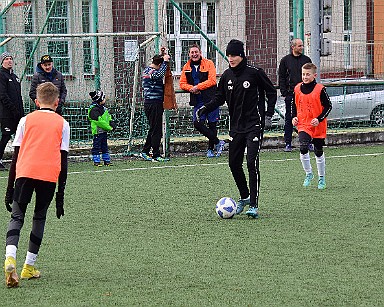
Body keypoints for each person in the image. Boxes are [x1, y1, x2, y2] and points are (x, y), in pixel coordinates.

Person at [197, 39, 277, 218]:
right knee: (233, 163)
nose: (230, 58)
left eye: (233, 55)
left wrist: (269, 114)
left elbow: (272, 92)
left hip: (254, 125)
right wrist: (205, 108)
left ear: (241, 55)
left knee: (251, 162)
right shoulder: (226, 76)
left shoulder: (255, 73)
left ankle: (254, 205)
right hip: (236, 127)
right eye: (228, 55)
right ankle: (245, 196)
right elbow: (219, 98)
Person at [4, 82, 70, 288]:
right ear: (57, 102)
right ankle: (28, 267)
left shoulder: (25, 120)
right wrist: (61, 195)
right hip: (48, 175)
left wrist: (9, 189)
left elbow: (15, 157)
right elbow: (64, 160)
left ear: (36, 101)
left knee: (17, 216)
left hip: (24, 172)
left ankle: (10, 258)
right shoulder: (63, 124)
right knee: (39, 217)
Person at [179, 43, 225, 158]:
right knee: (197, 122)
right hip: (197, 101)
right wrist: (191, 88)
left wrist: (198, 87)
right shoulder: (186, 67)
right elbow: (182, 83)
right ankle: (219, 142)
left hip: (211, 99)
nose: (194, 54)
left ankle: (210, 149)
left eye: (196, 52)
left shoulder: (209, 63)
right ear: (189, 54)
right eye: (192, 52)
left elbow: (212, 81)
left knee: (212, 124)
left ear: (200, 53)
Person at [292, 63, 332, 189]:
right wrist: (294, 116)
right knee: (303, 147)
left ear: (314, 75)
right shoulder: (297, 88)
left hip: (318, 125)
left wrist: (319, 119)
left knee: (318, 151)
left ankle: (321, 178)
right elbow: (294, 105)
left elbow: (328, 106)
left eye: (308, 74)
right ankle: (309, 174)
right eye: (303, 74)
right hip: (303, 124)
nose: (305, 76)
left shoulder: (320, 89)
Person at [278, 38, 312, 152]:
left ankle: (309, 142)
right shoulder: (285, 61)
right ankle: (288, 143)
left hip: (306, 95)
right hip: (291, 95)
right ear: (293, 47)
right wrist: (284, 93)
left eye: (302, 45)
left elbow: (310, 76)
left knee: (307, 118)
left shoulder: (307, 60)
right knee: (290, 118)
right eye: (299, 46)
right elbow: (281, 77)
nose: (302, 47)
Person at [140, 52, 170, 162]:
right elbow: (159, 74)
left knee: (154, 128)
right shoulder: (150, 71)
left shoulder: (152, 70)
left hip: (155, 103)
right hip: (152, 104)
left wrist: (163, 54)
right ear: (159, 65)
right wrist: (165, 62)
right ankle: (156, 154)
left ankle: (145, 151)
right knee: (156, 130)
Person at [0, 52, 24, 171]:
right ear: (2, 62)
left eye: (11, 59)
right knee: (5, 136)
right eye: (6, 59)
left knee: (21, 137)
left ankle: (21, 160)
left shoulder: (15, 77)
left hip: (18, 114)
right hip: (7, 114)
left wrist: (20, 111)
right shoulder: (1, 75)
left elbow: (18, 96)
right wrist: (12, 109)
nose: (9, 61)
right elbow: (3, 96)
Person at [88, 90, 116, 167]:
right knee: (96, 146)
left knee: (104, 146)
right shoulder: (93, 110)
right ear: (99, 100)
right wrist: (109, 127)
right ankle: (96, 161)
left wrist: (112, 123)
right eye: (103, 98)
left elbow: (108, 117)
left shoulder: (103, 108)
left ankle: (106, 160)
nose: (105, 99)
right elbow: (99, 122)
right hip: (98, 132)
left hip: (104, 131)